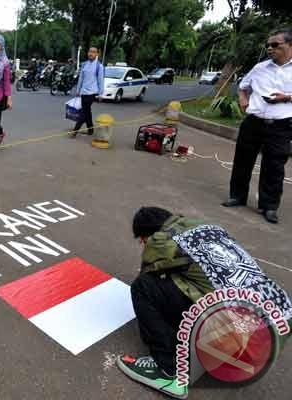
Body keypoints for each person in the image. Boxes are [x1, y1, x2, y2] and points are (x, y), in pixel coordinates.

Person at [118, 207, 292, 399]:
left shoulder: (162, 240)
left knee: (143, 287)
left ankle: (168, 371)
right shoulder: (207, 227)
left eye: (141, 240)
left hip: (243, 342)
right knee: (195, 283)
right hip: (277, 326)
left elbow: (148, 272)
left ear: (146, 234)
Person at [222, 27, 292, 224]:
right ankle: (237, 196)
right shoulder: (260, 68)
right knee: (242, 160)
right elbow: (243, 87)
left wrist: (286, 97)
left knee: (274, 167)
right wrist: (243, 100)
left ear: (289, 45)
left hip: (280, 126)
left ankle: (269, 207)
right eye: (268, 45)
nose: (270, 48)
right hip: (253, 123)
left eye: (275, 45)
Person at [69, 47, 104, 138]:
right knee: (87, 112)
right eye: (89, 51)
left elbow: (100, 81)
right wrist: (78, 90)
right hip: (84, 92)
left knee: (83, 112)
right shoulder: (84, 64)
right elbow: (81, 78)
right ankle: (90, 129)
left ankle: (75, 131)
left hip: (92, 93)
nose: (90, 53)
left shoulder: (99, 66)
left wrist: (100, 93)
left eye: (93, 52)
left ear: (97, 54)